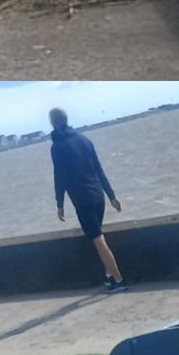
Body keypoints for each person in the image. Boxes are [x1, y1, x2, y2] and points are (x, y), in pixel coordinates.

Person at [49, 107, 127, 292]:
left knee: (98, 241)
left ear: (52, 122)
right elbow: (99, 170)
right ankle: (109, 277)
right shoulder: (85, 140)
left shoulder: (57, 147)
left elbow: (59, 177)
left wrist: (60, 204)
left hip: (83, 201)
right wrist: (111, 196)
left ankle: (119, 280)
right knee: (98, 238)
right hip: (98, 196)